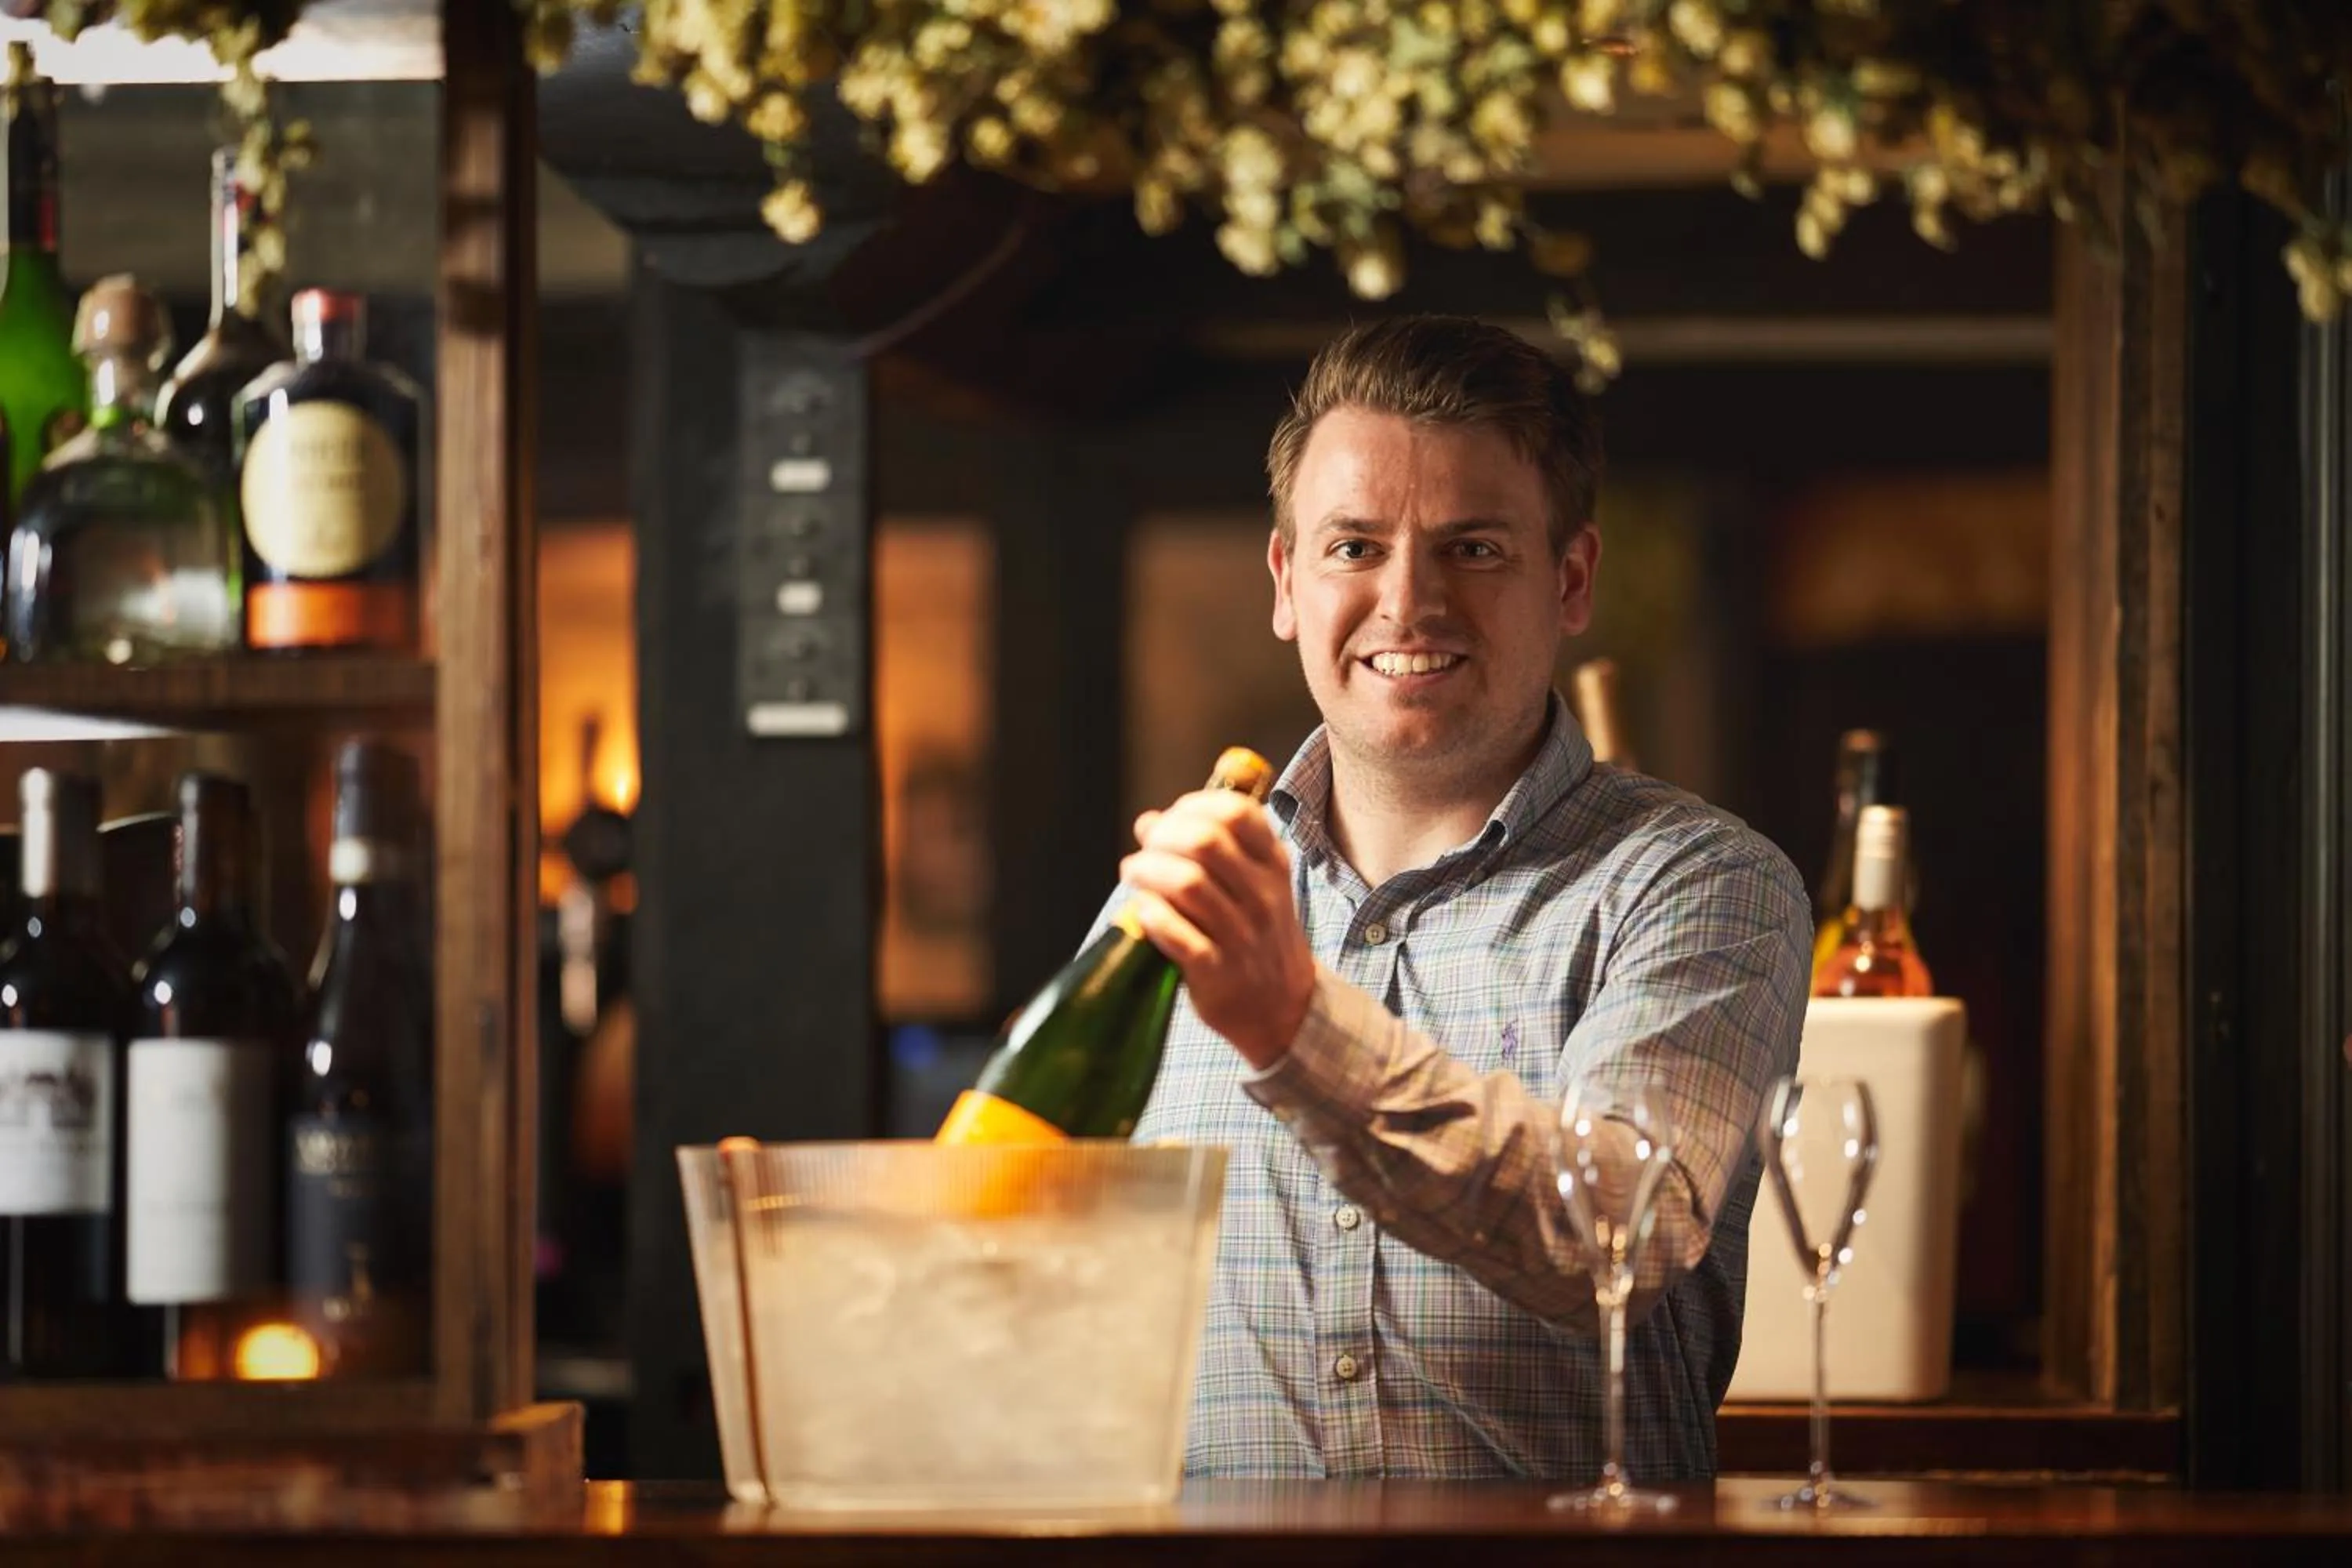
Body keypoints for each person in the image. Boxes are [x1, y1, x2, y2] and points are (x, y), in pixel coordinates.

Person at [1115, 314, 1810, 1480]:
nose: (1407, 602)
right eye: (1354, 547)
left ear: (1571, 578)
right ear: (1288, 581)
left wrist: (1296, 1027)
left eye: (1474, 549)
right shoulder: (1177, 902)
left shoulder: (1699, 886)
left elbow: (1614, 1240)